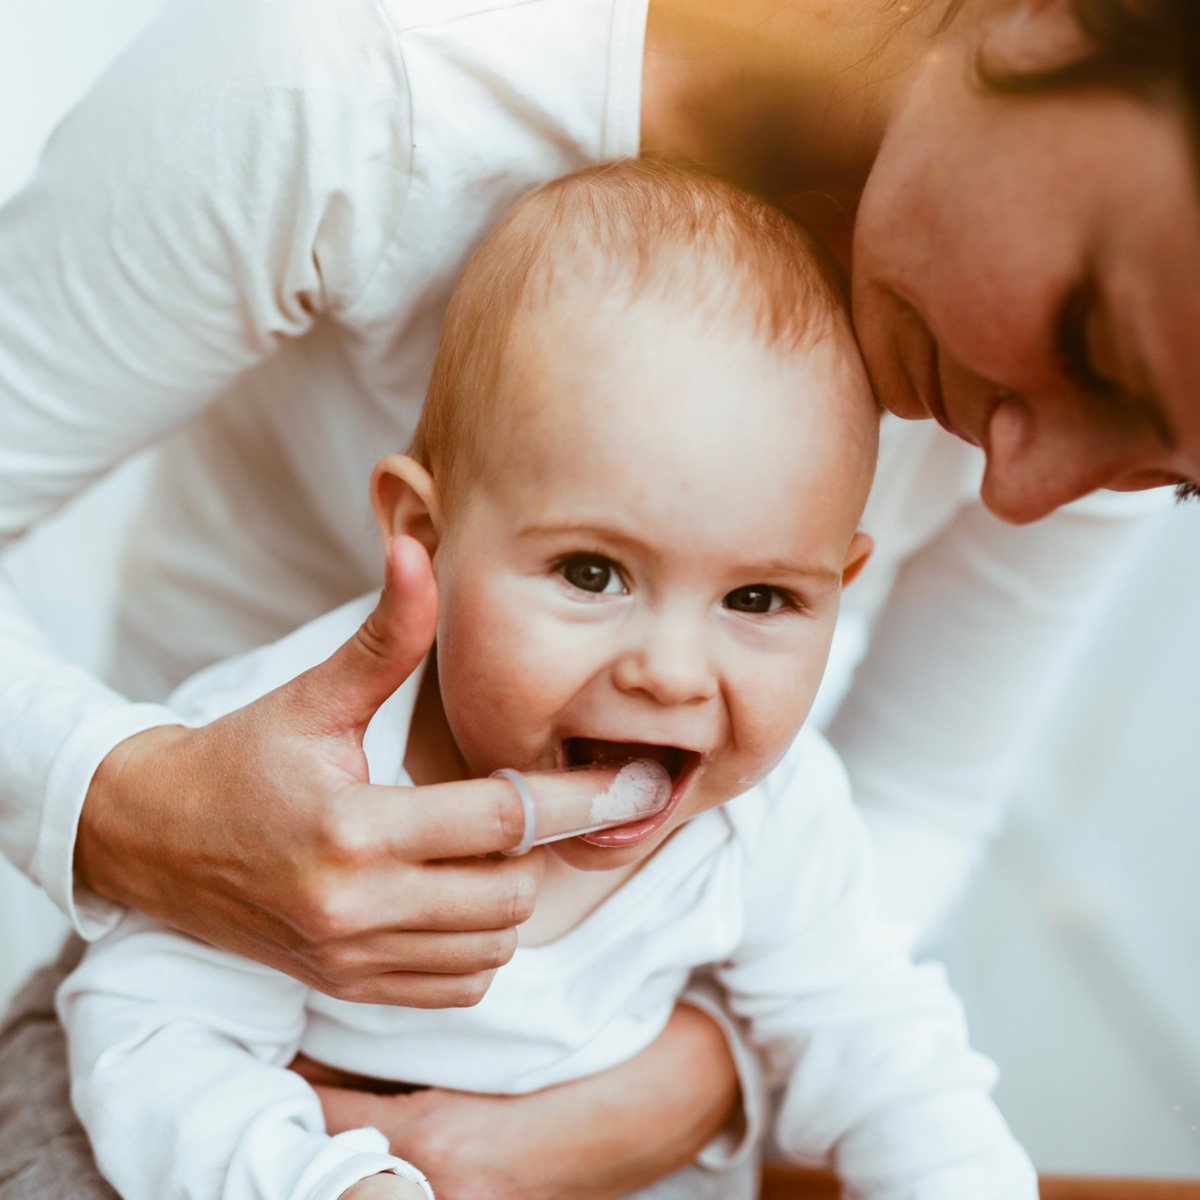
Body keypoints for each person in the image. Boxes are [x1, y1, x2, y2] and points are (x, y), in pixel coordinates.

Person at [0, 0, 1196, 1195]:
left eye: (1179, 482)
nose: (1028, 490)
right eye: (1090, 339)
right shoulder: (358, 77)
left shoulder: (767, 829)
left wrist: (686, 1086)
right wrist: (124, 806)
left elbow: (896, 1021)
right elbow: (155, 1035)